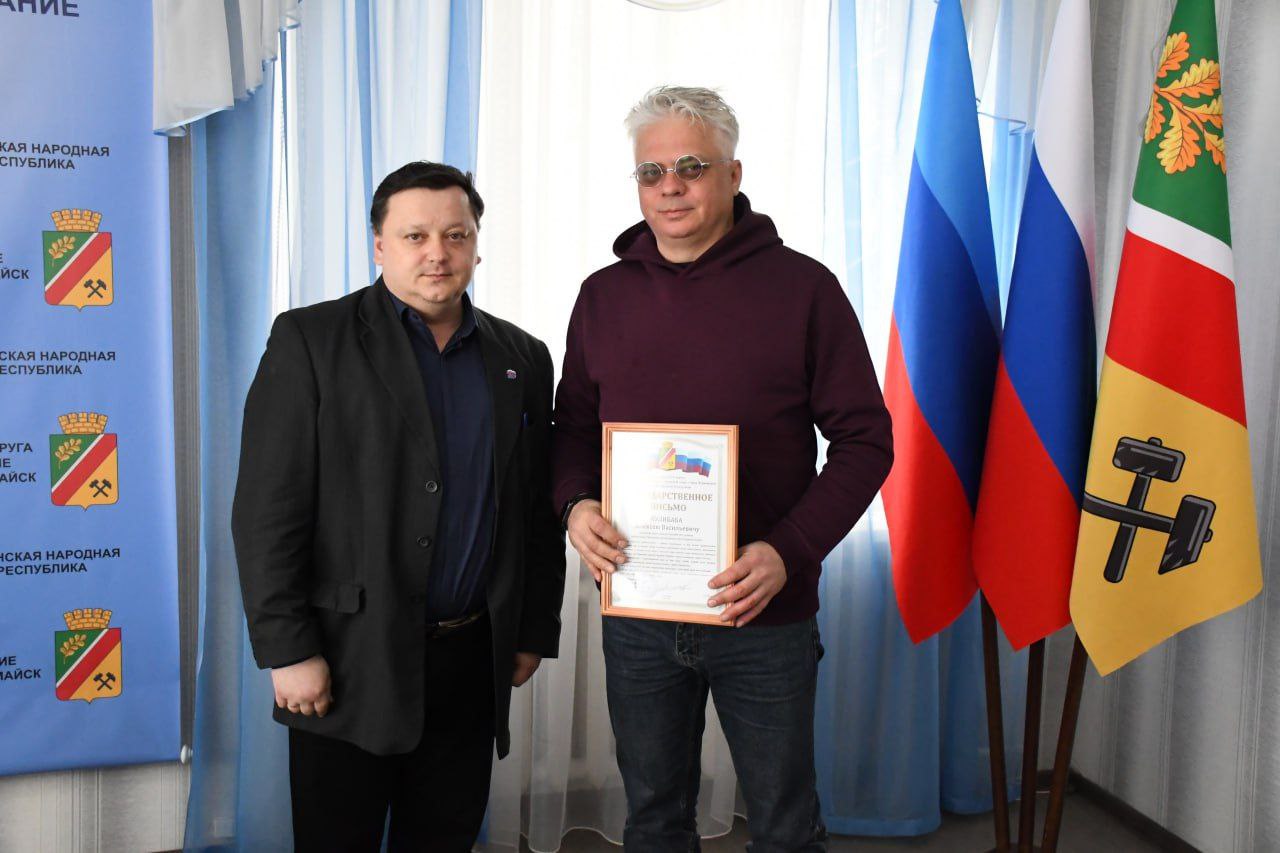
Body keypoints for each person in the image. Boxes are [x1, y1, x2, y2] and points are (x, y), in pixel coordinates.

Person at [552, 87, 893, 850]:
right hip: (639, 608)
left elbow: (866, 440)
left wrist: (787, 551)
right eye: (651, 171)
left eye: (691, 166)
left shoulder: (805, 289)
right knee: (653, 818)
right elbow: (570, 427)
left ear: (733, 174)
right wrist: (576, 505)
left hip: (763, 609)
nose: (669, 186)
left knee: (784, 824)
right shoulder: (602, 297)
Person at [232, 161, 565, 852]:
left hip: (472, 658)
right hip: (346, 656)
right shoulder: (310, 340)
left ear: (476, 245)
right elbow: (267, 512)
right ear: (380, 246)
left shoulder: (524, 357)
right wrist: (289, 650)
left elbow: (535, 509)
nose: (437, 252)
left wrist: (532, 628)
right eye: (415, 236)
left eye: (455, 234)